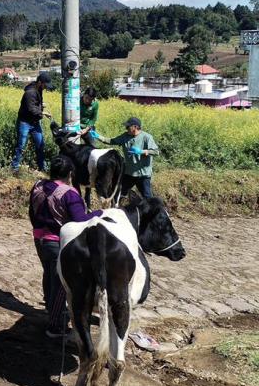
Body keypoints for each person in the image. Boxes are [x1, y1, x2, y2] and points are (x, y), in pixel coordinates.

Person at [29, 155, 103, 338]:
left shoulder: (38, 186)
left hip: (39, 239)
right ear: (70, 173)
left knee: (49, 275)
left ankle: (50, 310)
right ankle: (55, 325)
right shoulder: (69, 193)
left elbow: (31, 212)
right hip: (57, 242)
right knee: (62, 285)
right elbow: (80, 219)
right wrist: (100, 213)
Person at [89, 117, 159, 199]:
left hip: (143, 175)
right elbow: (111, 141)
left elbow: (156, 152)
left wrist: (141, 151)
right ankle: (118, 209)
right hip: (129, 174)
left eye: (128, 127)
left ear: (135, 127)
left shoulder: (147, 137)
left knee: (148, 198)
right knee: (119, 194)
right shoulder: (125, 136)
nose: (126, 128)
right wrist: (98, 136)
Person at [12, 73, 54, 175]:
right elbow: (31, 109)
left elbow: (34, 104)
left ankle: (41, 167)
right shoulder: (30, 92)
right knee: (21, 145)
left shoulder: (38, 89)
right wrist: (43, 112)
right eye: (45, 85)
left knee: (40, 145)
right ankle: (14, 168)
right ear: (40, 82)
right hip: (25, 122)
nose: (45, 87)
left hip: (35, 122)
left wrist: (41, 104)